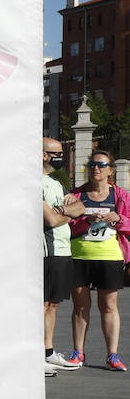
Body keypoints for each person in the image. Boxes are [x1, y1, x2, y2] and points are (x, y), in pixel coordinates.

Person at [65, 149, 129, 372]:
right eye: (92, 164)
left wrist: (119, 219)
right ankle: (77, 352)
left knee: (109, 307)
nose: (96, 168)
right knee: (80, 307)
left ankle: (112, 355)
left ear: (110, 170)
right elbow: (66, 225)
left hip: (110, 256)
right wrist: (86, 221)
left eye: (101, 164)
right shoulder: (76, 195)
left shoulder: (120, 196)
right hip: (79, 255)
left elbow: (129, 223)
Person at [42, 139, 84, 375]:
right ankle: (36, 355)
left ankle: (48, 352)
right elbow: (50, 220)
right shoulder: (33, 182)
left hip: (62, 250)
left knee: (53, 305)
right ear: (43, 155)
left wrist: (63, 211)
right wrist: (67, 213)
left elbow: (80, 207)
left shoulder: (56, 182)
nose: (61, 157)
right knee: (42, 305)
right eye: (56, 153)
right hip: (47, 252)